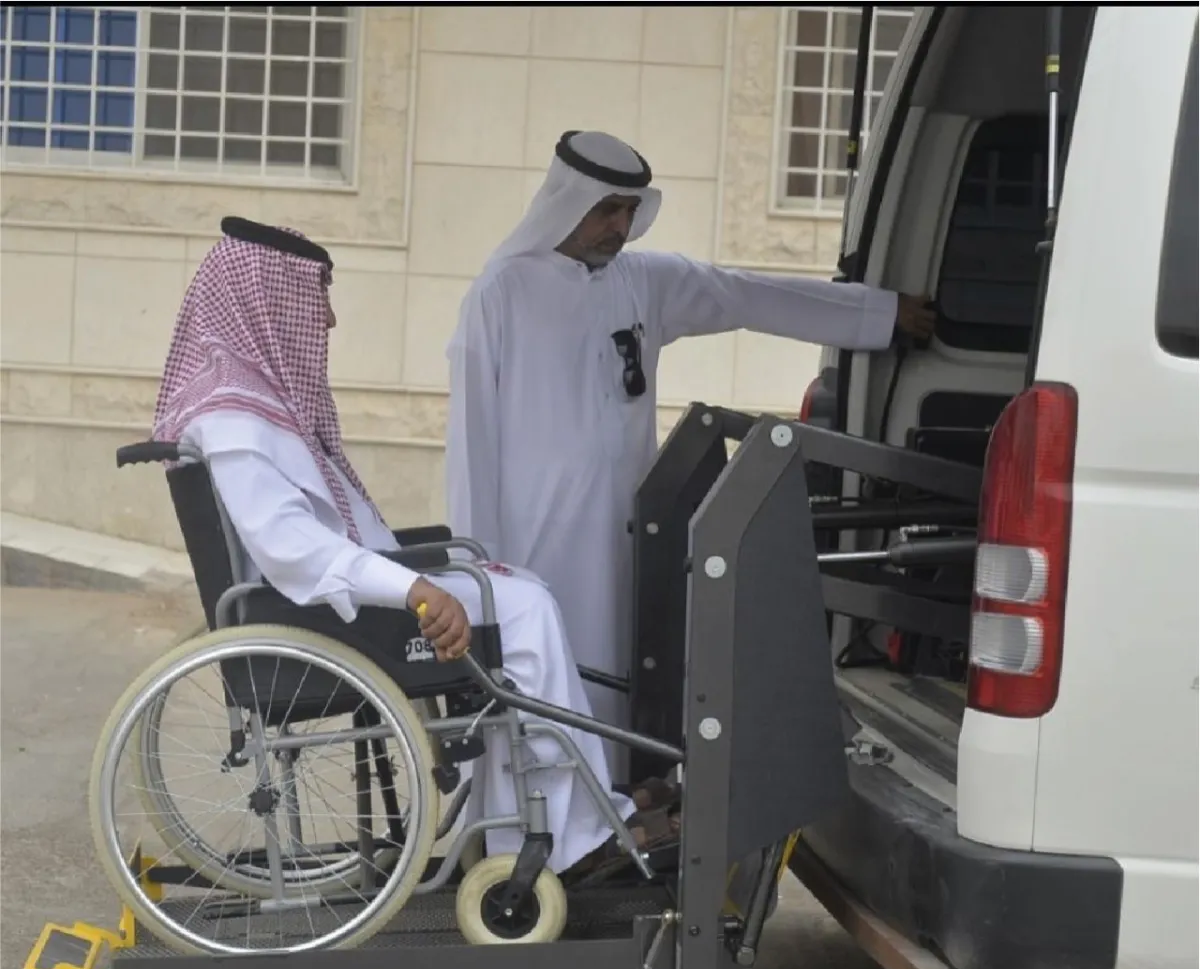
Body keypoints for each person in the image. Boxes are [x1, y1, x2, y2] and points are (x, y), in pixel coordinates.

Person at [150, 216, 677, 880]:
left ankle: (570, 818)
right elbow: (291, 548)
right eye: (317, 297)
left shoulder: (255, 409)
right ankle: (562, 840)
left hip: (350, 604)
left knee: (522, 594)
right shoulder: (234, 421)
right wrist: (414, 588)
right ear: (264, 303)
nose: (328, 319)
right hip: (333, 616)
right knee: (522, 610)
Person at [444, 130, 937, 780]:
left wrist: (879, 314)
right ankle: (537, 827)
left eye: (630, 211)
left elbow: (746, 294)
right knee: (541, 690)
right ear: (567, 203)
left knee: (619, 685)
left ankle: (609, 816)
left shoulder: (642, 282)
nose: (621, 228)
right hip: (535, 550)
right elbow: (472, 449)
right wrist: (477, 575)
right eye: (607, 210)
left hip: (624, 543)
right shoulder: (500, 293)